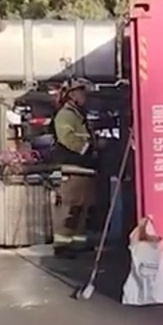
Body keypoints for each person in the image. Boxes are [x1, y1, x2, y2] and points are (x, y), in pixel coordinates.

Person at [49, 78, 98, 258]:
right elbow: (67, 138)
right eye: (80, 92)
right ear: (71, 95)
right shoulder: (66, 114)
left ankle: (77, 244)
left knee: (83, 209)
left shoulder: (78, 114)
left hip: (84, 169)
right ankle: (62, 246)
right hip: (73, 168)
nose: (84, 96)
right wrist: (89, 148)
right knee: (71, 209)